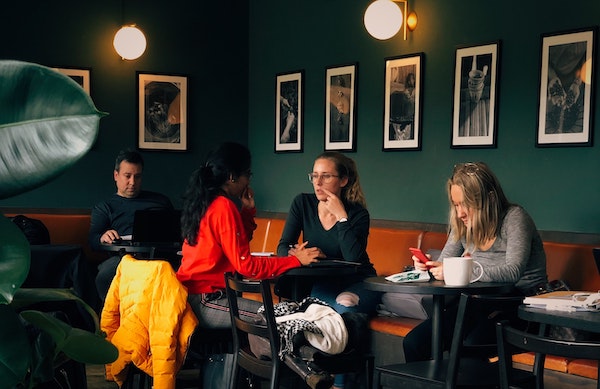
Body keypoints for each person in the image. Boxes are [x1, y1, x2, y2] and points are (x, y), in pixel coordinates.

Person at [402, 161, 548, 362]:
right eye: (456, 204)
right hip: (474, 303)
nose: (460, 213)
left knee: (468, 347)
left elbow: (513, 272)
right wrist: (429, 266)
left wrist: (462, 272)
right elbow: (445, 262)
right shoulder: (462, 224)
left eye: (466, 205)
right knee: (415, 343)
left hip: (519, 306)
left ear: (489, 199)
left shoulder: (514, 218)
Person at [175, 141, 319, 330]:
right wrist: (295, 260)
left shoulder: (205, 201)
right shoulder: (223, 206)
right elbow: (247, 267)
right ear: (233, 176)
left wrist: (247, 212)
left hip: (190, 297)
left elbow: (233, 245)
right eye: (247, 174)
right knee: (289, 318)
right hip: (206, 301)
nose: (249, 181)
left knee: (287, 314)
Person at [277, 151, 380, 389]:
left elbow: (354, 258)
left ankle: (341, 384)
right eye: (314, 176)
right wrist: (299, 254)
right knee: (312, 310)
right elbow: (282, 247)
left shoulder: (357, 214)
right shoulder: (302, 203)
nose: (318, 182)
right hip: (324, 285)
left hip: (360, 282)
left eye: (326, 176)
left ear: (343, 181)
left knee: (344, 304)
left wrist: (342, 217)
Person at [89, 149, 174, 302]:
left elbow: (177, 231)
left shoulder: (160, 202)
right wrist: (102, 236)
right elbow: (93, 239)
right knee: (105, 275)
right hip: (122, 259)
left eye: (138, 176)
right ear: (116, 175)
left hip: (159, 258)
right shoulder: (105, 207)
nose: (132, 182)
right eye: (127, 176)